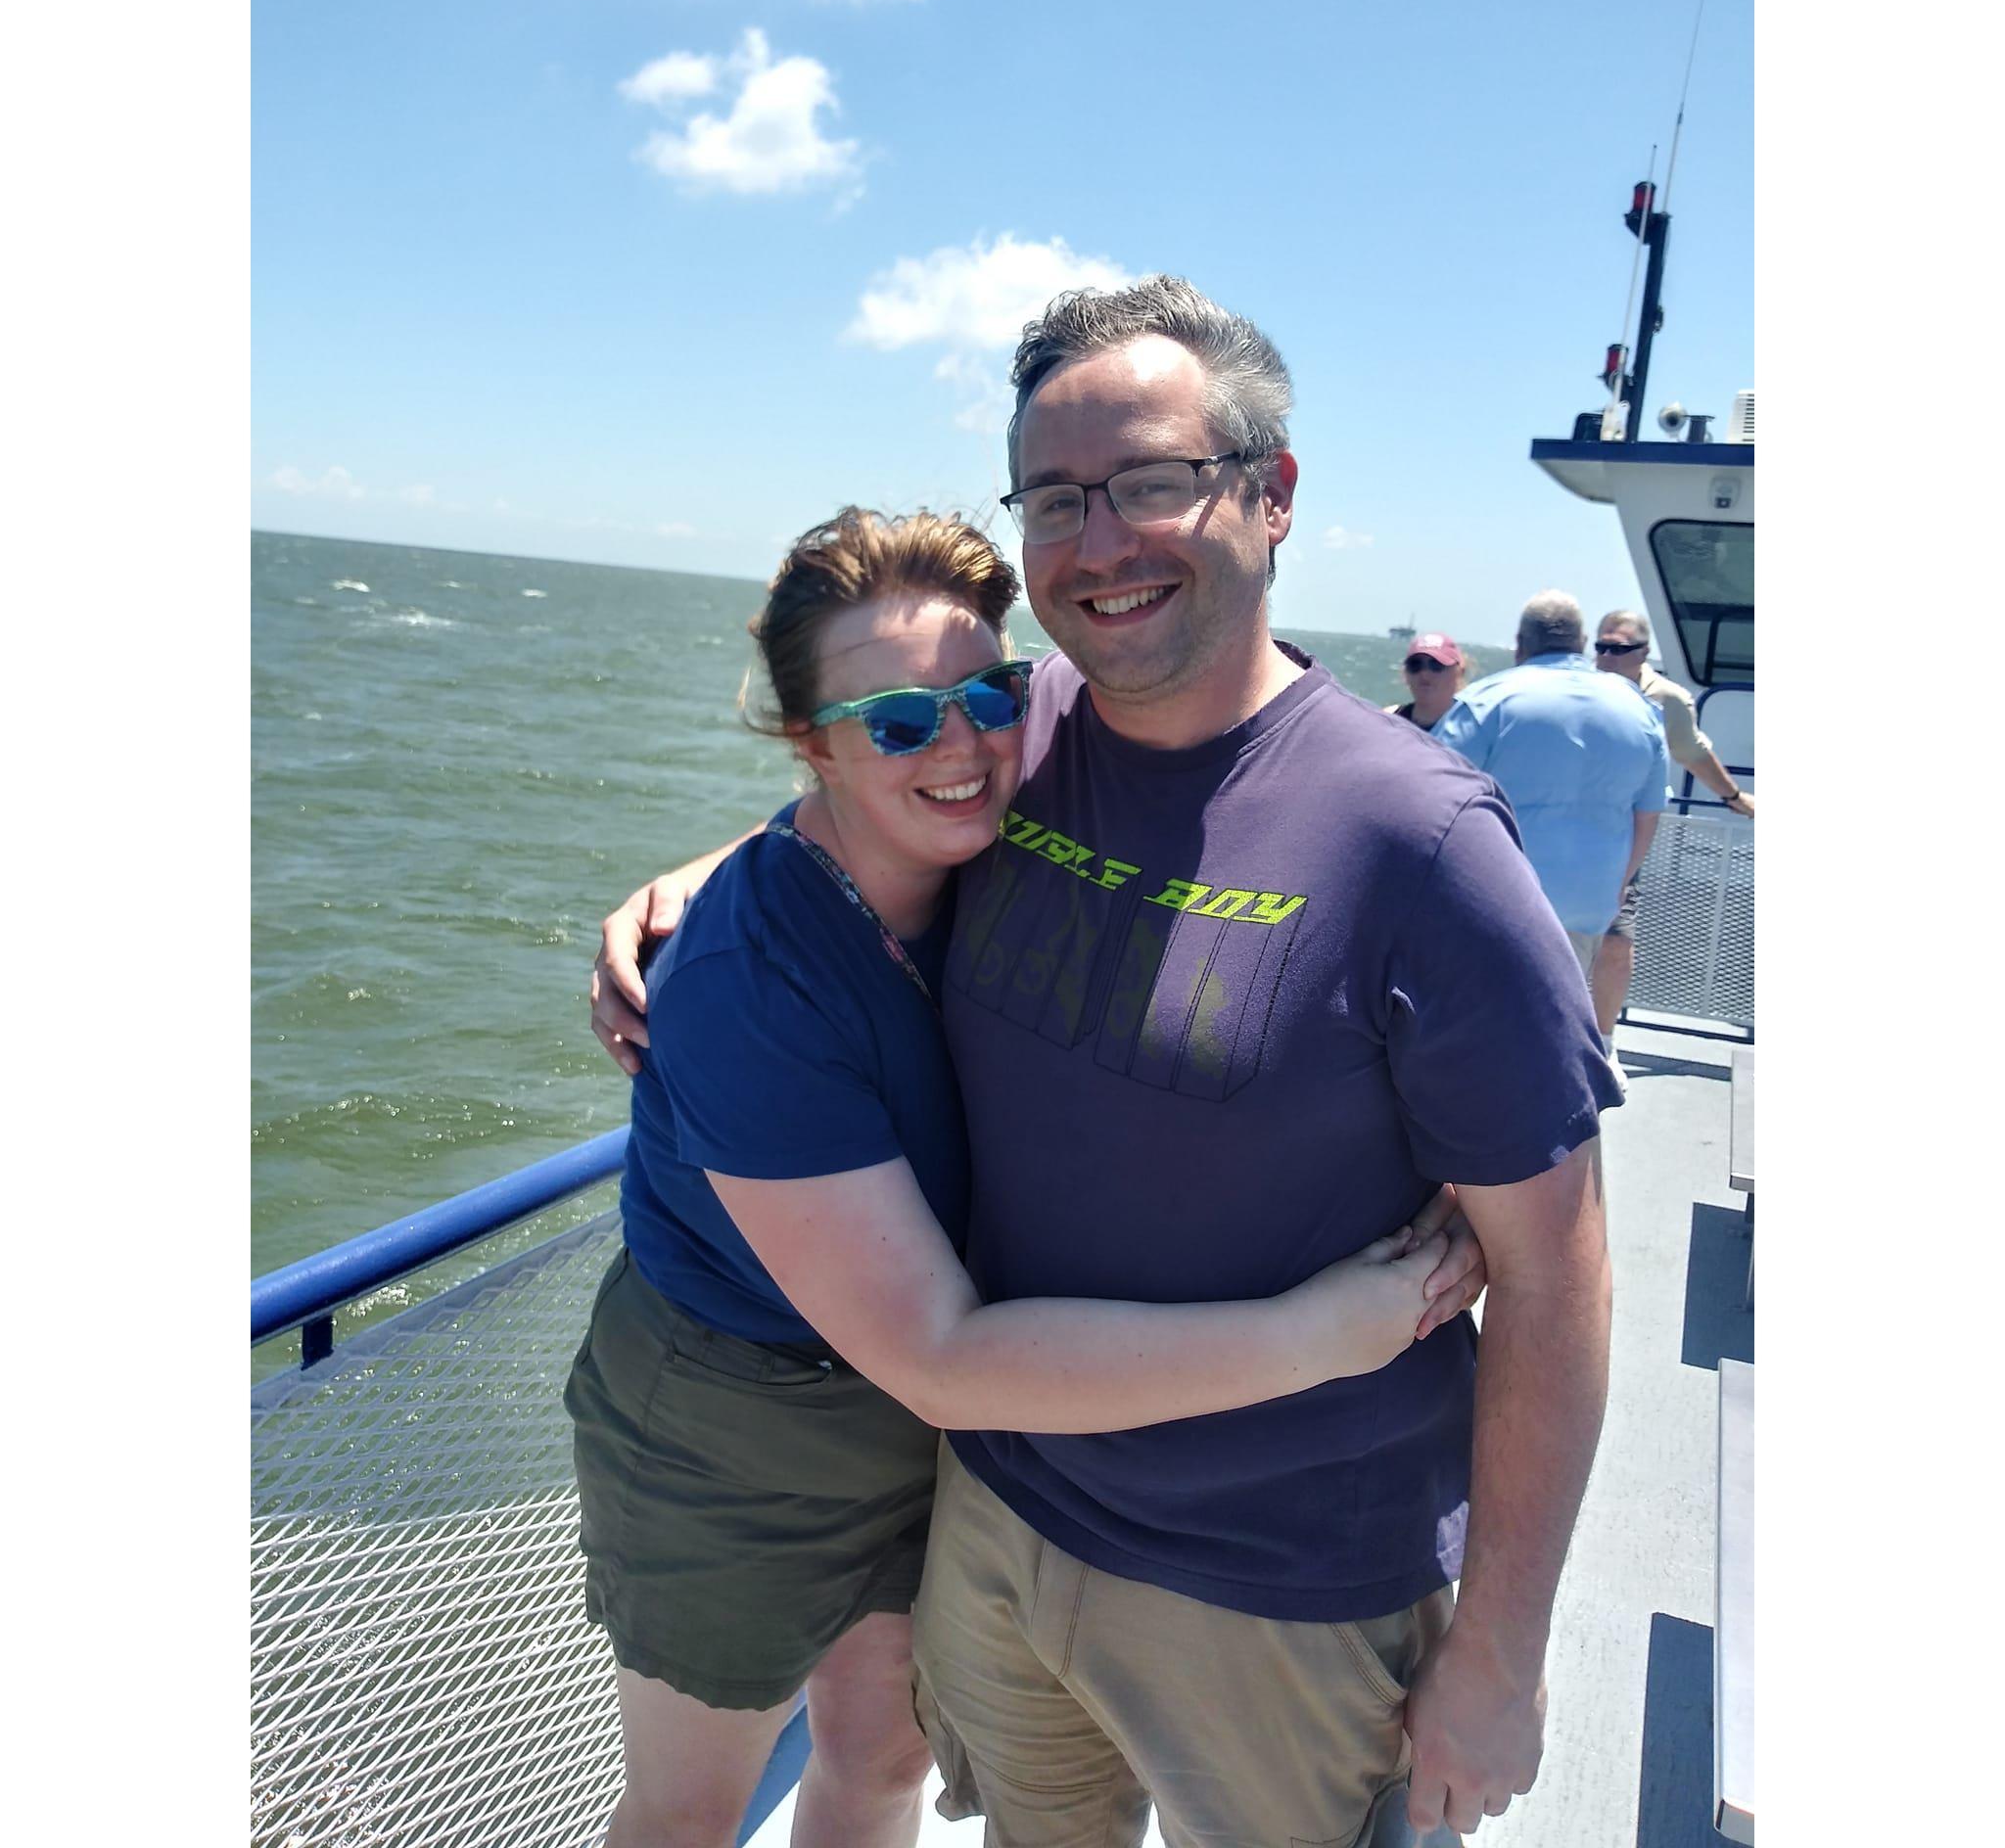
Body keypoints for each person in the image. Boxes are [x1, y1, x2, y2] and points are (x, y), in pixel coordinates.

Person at [593, 279, 1616, 1846]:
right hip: (996, 1521)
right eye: (1057, 499)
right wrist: (702, 886)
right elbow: (879, 778)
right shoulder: (1036, 726)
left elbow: (1556, 1271)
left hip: (1279, 1586)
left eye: (1151, 480)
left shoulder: (1419, 843)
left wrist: (1503, 1650)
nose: (1100, 540)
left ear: (1271, 495)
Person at [1431, 592, 1671, 995]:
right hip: (1590, 902)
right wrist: (1618, 883)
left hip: (1497, 904)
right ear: (1582, 643)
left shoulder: (1488, 702)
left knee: (1482, 1018)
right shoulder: (1638, 709)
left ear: (1520, 644)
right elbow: (1647, 813)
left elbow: (1430, 795)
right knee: (1556, 1013)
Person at [1588, 609, 1754, 1048]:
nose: (1607, 657)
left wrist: (1734, 797)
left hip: (1622, 838)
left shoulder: (1667, 700)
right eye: (1601, 647)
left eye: (1619, 649)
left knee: (1615, 941)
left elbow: (1692, 753)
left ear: (1643, 653)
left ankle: (1603, 1044)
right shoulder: (1576, 690)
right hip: (1562, 830)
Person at [1386, 631, 1471, 730]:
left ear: (1459, 672)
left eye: (1436, 665)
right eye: (1415, 665)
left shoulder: (1474, 726)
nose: (1424, 674)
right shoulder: (1388, 719)